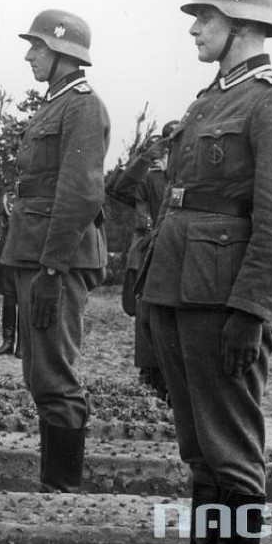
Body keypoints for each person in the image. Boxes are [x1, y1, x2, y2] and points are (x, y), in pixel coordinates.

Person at [140, 0, 272, 544]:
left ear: (243, 25)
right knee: (197, 447)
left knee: (232, 452)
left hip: (223, 297)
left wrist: (252, 308)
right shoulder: (209, 102)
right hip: (177, 285)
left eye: (206, 18)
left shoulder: (270, 102)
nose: (194, 30)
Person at [0, 10, 109, 492]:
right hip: (38, 253)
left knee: (54, 374)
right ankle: (55, 483)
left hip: (56, 260)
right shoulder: (56, 104)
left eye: (37, 48)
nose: (29, 55)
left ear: (64, 52)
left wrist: (51, 268)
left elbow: (81, 193)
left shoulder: (82, 106)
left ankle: (62, 488)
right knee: (40, 373)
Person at [105, 121, 175, 400]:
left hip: (177, 256)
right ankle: (151, 375)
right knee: (146, 319)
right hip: (148, 254)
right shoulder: (150, 177)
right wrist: (145, 157)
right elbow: (118, 187)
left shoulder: (186, 175)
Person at [0, 191, 18, 356]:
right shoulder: (9, 196)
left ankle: (23, 345)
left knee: (26, 298)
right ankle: (8, 341)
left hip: (30, 247)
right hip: (9, 247)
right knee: (9, 296)